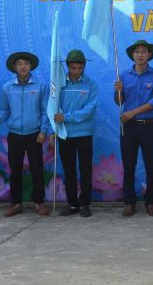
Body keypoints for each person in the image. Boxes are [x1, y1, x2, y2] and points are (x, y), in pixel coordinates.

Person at [0, 52, 50, 217]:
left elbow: (45, 111)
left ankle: (39, 202)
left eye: (26, 63)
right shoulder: (7, 88)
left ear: (31, 66)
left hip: (34, 134)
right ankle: (16, 203)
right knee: (15, 170)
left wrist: (43, 131)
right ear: (14, 67)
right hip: (15, 134)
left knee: (37, 169)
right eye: (19, 64)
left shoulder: (40, 86)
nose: (23, 67)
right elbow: (4, 111)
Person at [114, 39, 153, 217]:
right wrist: (118, 91)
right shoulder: (124, 75)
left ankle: (151, 202)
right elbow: (119, 102)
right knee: (129, 165)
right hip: (129, 127)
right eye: (137, 52)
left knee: (151, 165)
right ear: (132, 55)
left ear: (149, 55)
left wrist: (132, 113)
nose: (140, 55)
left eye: (144, 51)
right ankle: (129, 202)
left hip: (148, 126)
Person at [53, 49, 98, 218]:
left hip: (84, 133)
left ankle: (85, 204)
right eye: (73, 68)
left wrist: (66, 117)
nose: (76, 71)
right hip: (64, 134)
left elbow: (89, 110)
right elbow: (53, 107)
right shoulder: (58, 84)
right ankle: (72, 204)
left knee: (85, 170)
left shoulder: (91, 84)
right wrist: (53, 129)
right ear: (67, 66)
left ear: (84, 66)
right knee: (69, 171)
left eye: (80, 68)